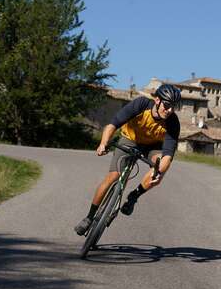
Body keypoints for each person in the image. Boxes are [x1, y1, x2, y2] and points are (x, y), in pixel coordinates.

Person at [74, 84, 181, 235]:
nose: (169, 110)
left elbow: (168, 155)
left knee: (160, 166)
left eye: (173, 107)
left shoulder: (172, 122)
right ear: (157, 100)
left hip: (153, 147)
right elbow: (113, 125)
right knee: (114, 176)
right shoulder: (141, 104)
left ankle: (134, 196)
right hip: (129, 140)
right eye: (167, 105)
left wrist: (158, 172)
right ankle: (89, 217)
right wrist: (103, 143)